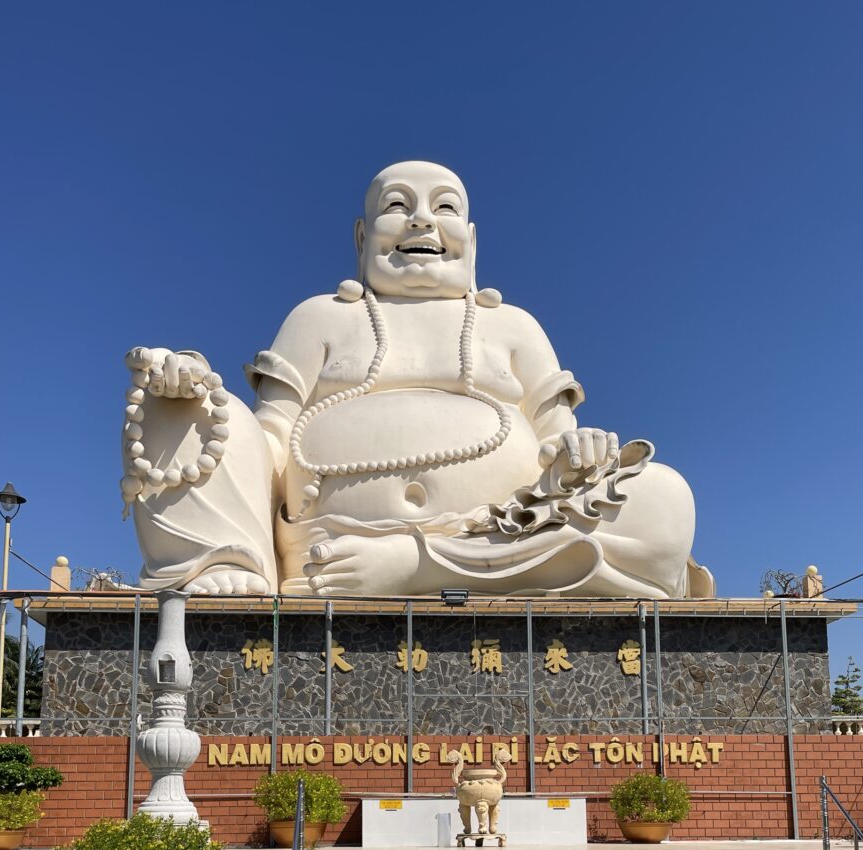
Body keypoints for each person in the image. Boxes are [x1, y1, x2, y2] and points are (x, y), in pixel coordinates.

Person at [121, 161, 713, 599]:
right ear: (362, 238)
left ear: (472, 241)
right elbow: (269, 439)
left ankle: (417, 567)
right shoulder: (320, 317)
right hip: (324, 547)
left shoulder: (513, 325)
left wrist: (583, 449)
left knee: (663, 499)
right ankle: (228, 560)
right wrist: (198, 389)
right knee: (186, 406)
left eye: (445, 207)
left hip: (503, 539)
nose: (422, 219)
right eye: (398, 205)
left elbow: (559, 449)